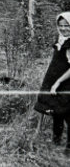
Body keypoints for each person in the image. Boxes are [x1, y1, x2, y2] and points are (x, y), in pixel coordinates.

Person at [34, 12, 70, 154]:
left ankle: (68, 148)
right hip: (55, 80)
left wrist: (57, 82)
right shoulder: (61, 39)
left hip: (66, 83)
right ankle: (56, 141)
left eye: (67, 26)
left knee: (68, 114)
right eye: (60, 26)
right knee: (57, 112)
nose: (63, 29)